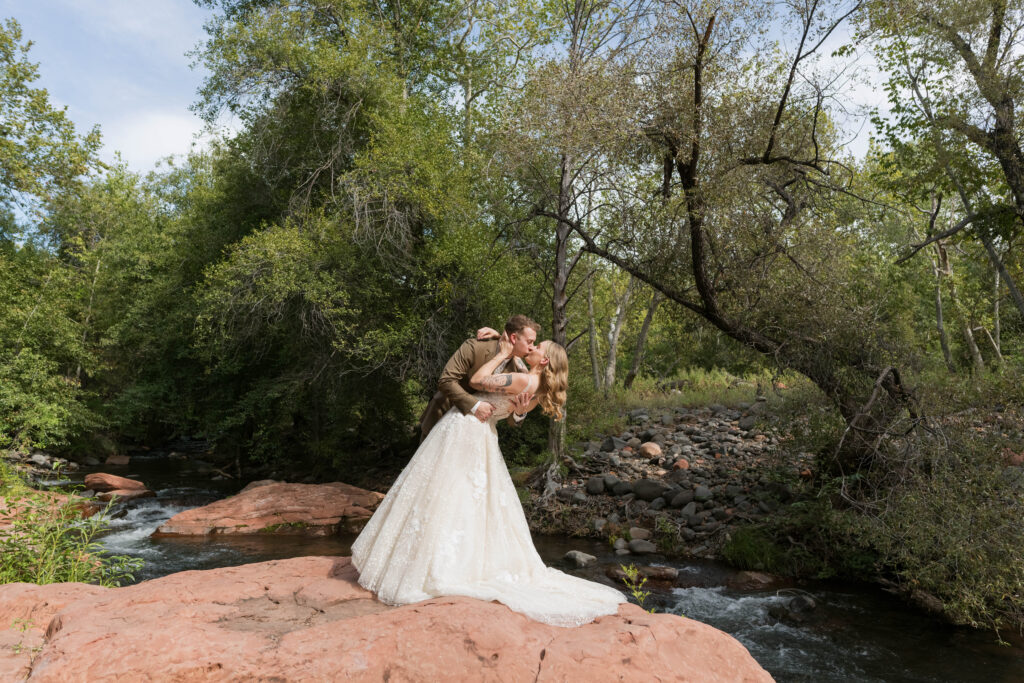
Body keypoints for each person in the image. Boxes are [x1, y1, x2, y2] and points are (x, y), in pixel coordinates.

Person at [351, 332, 625, 627]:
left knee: (446, 493)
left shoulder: (523, 380)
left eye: (537, 347)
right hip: (483, 436)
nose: (531, 347)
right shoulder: (538, 387)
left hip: (467, 430)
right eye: (531, 342)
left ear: (544, 360)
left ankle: (437, 567)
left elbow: (477, 381)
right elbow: (516, 413)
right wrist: (500, 344)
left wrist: (500, 354)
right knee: (467, 499)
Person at [417, 315, 539, 442]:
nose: (532, 347)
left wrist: (519, 413)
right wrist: (475, 405)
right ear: (513, 338)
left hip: (475, 435)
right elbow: (446, 380)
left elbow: (511, 421)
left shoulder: (517, 372)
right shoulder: (474, 346)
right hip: (443, 417)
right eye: (529, 341)